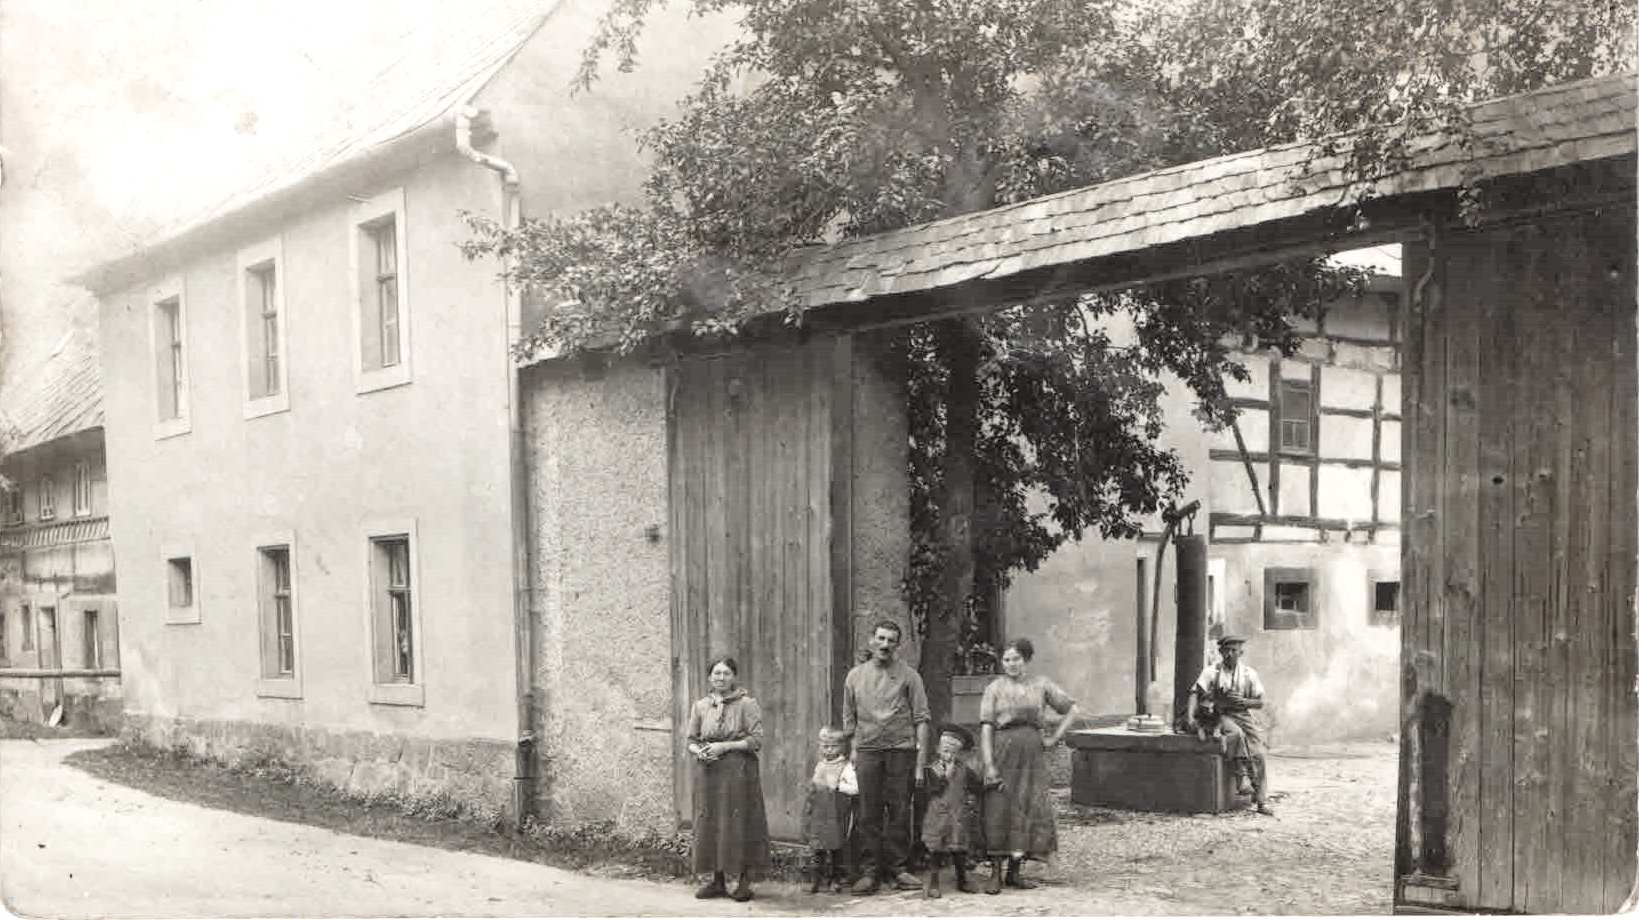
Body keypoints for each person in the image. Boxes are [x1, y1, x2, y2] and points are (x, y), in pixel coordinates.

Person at [979, 637, 1081, 894]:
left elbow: (1072, 710)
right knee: (998, 806)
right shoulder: (994, 688)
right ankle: (994, 873)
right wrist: (989, 764)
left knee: (1027, 806)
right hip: (1003, 750)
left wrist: (1054, 738)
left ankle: (1015, 872)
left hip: (1032, 754)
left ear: (1026, 660)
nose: (1011, 664)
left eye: (1016, 659)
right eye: (1006, 659)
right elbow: (986, 727)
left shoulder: (1041, 684)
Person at [842, 618, 930, 894]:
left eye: (891, 640)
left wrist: (918, 765)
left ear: (898, 645)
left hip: (901, 751)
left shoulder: (910, 676)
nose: (885, 645)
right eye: (880, 638)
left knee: (900, 811)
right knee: (868, 812)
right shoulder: (855, 676)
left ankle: (899, 869)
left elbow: (922, 720)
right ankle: (869, 871)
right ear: (871, 640)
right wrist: (855, 751)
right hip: (868, 751)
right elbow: (849, 718)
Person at [686, 656, 771, 901]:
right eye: (716, 674)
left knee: (740, 822)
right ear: (709, 677)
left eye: (725, 674)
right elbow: (691, 739)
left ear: (734, 677)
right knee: (711, 823)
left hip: (739, 771)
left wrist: (724, 747)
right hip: (709, 772)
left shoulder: (747, 704)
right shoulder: (701, 706)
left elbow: (756, 740)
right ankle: (718, 881)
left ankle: (744, 881)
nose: (720, 678)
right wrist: (699, 751)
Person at [1186, 635, 1273, 815]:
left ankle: (1261, 801)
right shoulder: (1212, 672)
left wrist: (1244, 701)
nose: (1230, 654)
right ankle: (1242, 780)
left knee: (1259, 754)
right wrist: (1190, 718)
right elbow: (1194, 692)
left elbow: (1260, 702)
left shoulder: (1249, 674)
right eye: (1226, 650)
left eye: (1234, 650)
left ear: (1241, 653)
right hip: (1220, 715)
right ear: (1220, 652)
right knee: (1237, 734)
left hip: (1242, 714)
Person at [920, 723, 987, 899]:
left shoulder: (964, 769)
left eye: (952, 752)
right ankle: (934, 882)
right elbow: (932, 790)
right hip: (938, 816)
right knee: (936, 849)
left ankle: (962, 879)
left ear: (958, 753)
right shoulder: (931, 770)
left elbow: (977, 786)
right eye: (945, 750)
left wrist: (988, 784)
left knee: (959, 849)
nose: (948, 755)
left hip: (958, 816)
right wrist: (945, 777)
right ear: (938, 750)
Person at [801, 725, 858, 894]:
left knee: (835, 849)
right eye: (825, 746)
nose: (829, 750)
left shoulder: (846, 766)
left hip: (835, 815)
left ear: (842, 747)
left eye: (833, 746)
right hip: (819, 814)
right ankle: (817, 880)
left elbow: (855, 788)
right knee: (817, 849)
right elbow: (814, 787)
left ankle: (835, 879)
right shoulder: (820, 766)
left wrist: (838, 786)